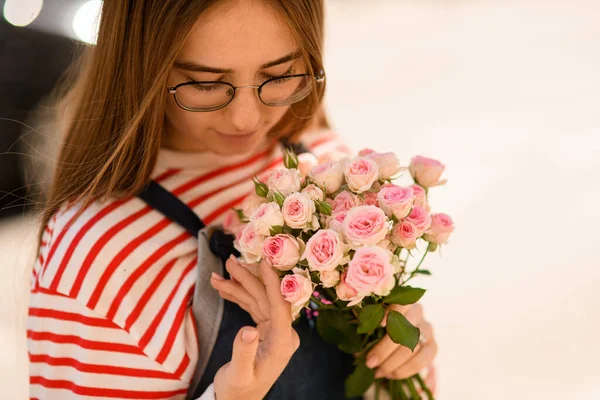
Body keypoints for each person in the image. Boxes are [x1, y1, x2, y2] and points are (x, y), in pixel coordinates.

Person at [27, 0, 438, 399]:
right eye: (205, 83)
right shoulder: (101, 253)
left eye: (279, 75)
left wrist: (401, 353)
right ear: (141, 64)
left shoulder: (323, 162)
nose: (245, 118)